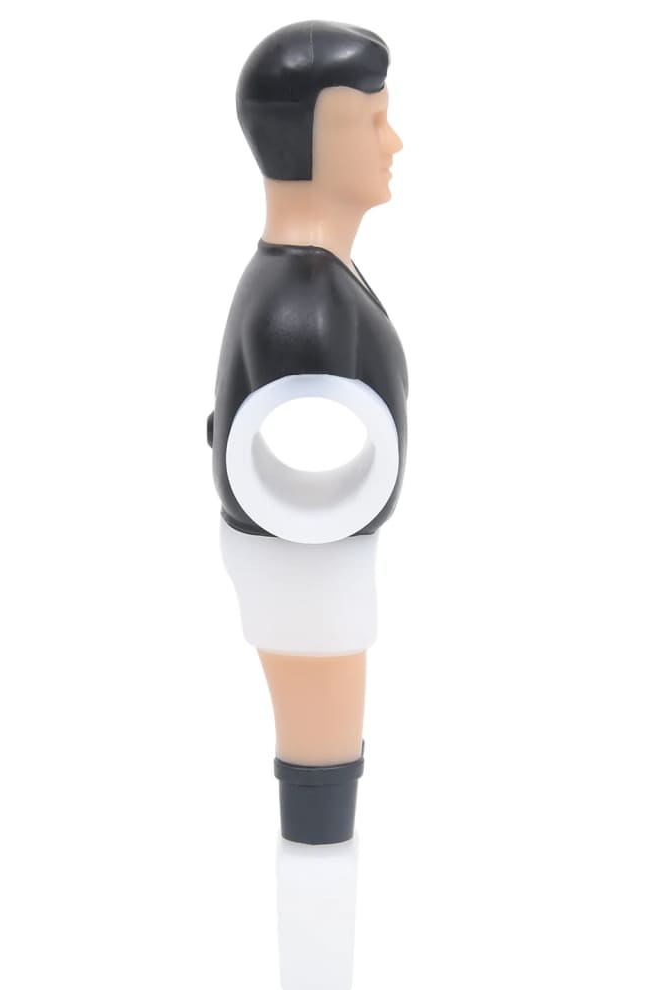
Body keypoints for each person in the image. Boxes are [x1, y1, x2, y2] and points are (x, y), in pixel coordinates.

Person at [208, 21, 408, 845]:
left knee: (323, 767)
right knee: (321, 788)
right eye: (373, 120)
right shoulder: (307, 308)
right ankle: (318, 869)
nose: (395, 142)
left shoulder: (307, 278)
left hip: (313, 570)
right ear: (316, 137)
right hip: (308, 579)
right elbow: (292, 485)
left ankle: (319, 865)